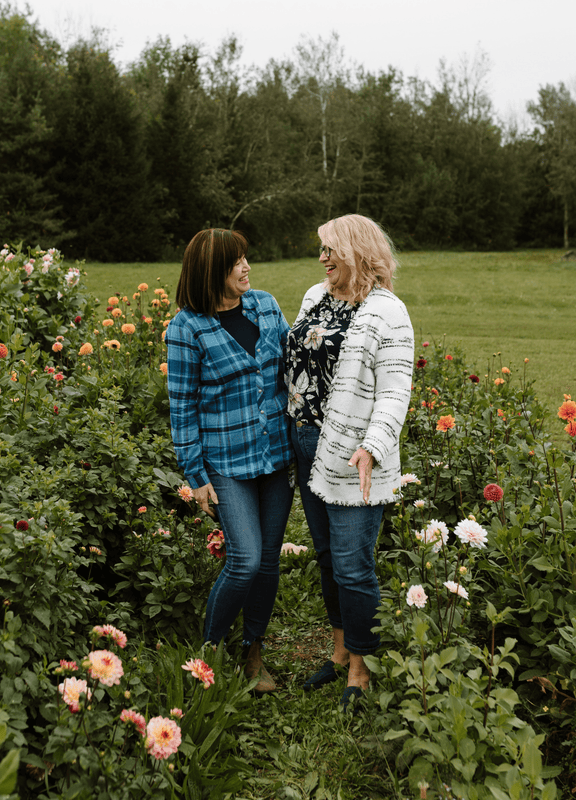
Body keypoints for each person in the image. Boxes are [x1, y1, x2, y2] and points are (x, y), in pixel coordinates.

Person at [285, 214, 413, 709]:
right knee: (325, 557)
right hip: (305, 444)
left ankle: (361, 669)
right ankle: (339, 650)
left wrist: (374, 446)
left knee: (354, 566)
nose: (322, 259)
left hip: (356, 456)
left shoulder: (387, 311)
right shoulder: (315, 297)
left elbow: (394, 392)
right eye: (321, 250)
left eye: (330, 250)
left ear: (356, 251)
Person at [165, 228, 294, 693]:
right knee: (246, 560)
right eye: (235, 261)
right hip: (227, 461)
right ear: (210, 272)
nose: (246, 267)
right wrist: (196, 475)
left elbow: (291, 364)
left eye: (245, 258)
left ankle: (253, 652)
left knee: (269, 564)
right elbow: (182, 407)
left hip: (276, 455)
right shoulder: (186, 327)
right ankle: (209, 652)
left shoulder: (265, 305)